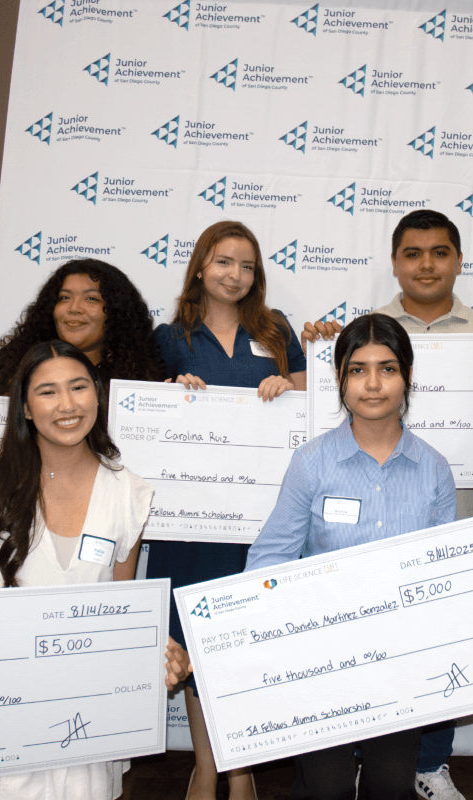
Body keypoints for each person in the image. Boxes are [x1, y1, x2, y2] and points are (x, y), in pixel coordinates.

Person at [0, 339, 190, 800]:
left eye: (79, 387)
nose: (67, 405)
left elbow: (120, 610)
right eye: (47, 392)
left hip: (84, 720)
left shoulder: (128, 492)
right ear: (24, 408)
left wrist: (161, 651)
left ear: (98, 395)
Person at [300, 209, 473, 800]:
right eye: (413, 253)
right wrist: (309, 358)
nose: (427, 264)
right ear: (395, 262)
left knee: (434, 627)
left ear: (459, 260)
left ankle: (427, 763)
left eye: (440, 252)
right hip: (348, 552)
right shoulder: (363, 331)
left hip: (447, 504)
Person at [247, 313, 457, 800]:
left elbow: (446, 571)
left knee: (388, 786)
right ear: (339, 378)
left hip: (400, 662)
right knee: (327, 789)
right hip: (323, 659)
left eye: (387, 368)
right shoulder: (312, 462)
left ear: (407, 376)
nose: (374, 384)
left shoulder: (434, 469)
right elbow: (272, 555)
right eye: (358, 370)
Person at [150, 220, 307, 800]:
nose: (235, 275)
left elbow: (309, 412)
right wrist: (173, 391)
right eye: (223, 262)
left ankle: (242, 768)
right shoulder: (169, 338)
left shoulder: (277, 330)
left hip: (263, 520)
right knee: (194, 644)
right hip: (190, 524)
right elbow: (144, 418)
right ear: (199, 267)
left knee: (246, 642)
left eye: (246, 266)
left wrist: (289, 389)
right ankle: (207, 765)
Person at [0, 259, 165, 396]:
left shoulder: (139, 373)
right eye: (64, 298)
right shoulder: (18, 357)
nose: (74, 308)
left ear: (116, 312)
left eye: (91, 299)